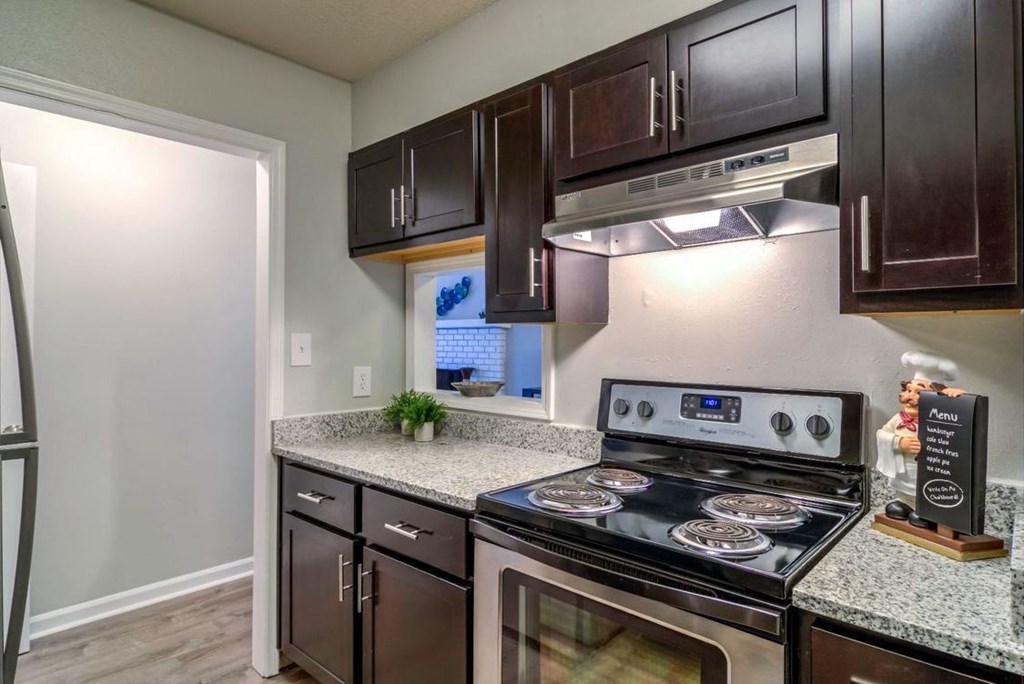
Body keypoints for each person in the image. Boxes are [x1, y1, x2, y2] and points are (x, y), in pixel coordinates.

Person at [875, 352, 964, 526]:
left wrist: (959, 398)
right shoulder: (898, 418)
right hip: (903, 468)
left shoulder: (939, 420)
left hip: (925, 470)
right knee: (904, 487)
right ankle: (905, 504)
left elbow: (956, 433)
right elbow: (882, 433)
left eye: (919, 392)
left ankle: (926, 509)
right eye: (908, 390)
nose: (909, 397)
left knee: (923, 487)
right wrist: (898, 442)